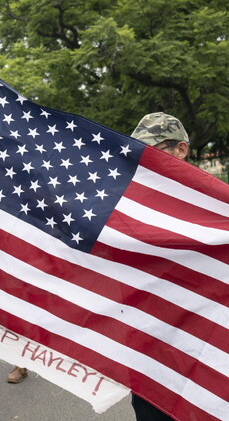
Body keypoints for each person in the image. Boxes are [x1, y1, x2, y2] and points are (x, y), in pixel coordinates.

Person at [129, 112, 190, 421]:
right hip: (149, 357)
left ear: (181, 149)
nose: (145, 159)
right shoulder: (132, 204)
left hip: (203, 351)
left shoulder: (214, 206)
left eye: (154, 149)